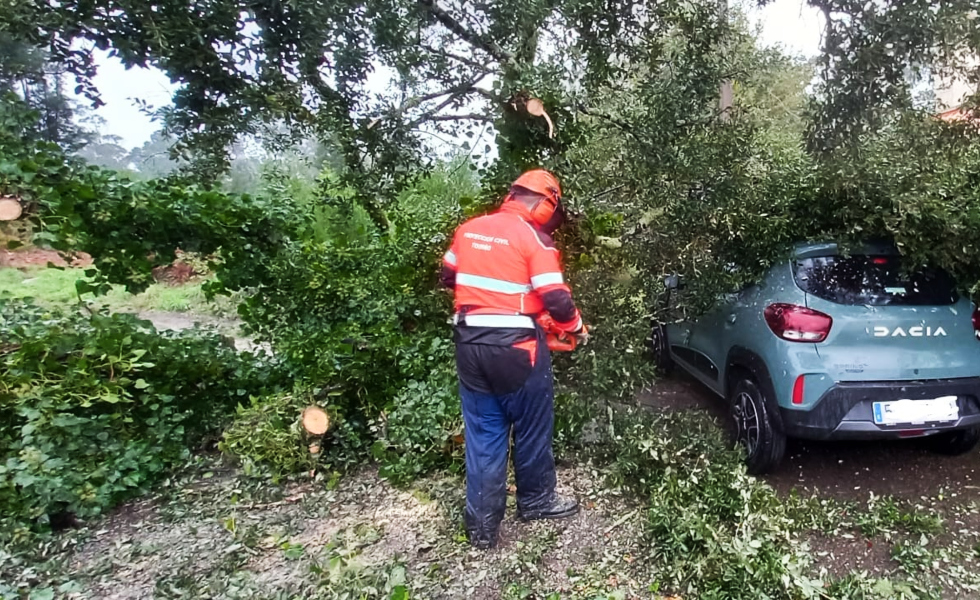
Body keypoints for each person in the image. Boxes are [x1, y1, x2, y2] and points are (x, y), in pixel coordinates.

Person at [440, 169, 588, 549]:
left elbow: (448, 276)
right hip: (517, 349)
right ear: (544, 203)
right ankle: (536, 500)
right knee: (532, 426)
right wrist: (574, 327)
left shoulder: (469, 229)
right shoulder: (533, 237)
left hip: (469, 344)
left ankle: (482, 527)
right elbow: (556, 297)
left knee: (485, 434)